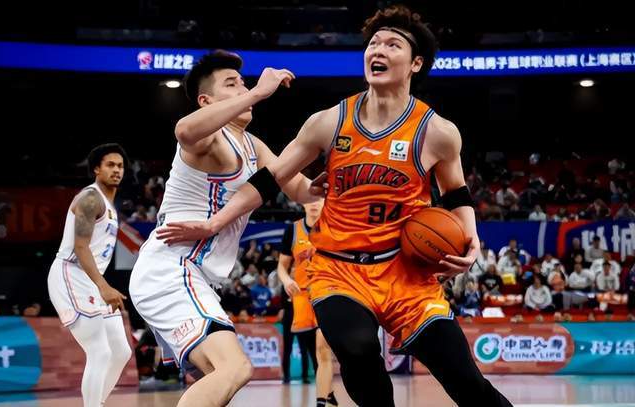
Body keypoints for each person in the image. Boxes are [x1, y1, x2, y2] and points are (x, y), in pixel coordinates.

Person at [157, 6, 511, 406]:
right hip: (338, 270)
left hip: (405, 272)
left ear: (415, 63)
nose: (378, 49)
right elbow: (271, 178)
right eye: (373, 43)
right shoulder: (328, 122)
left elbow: (456, 193)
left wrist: (471, 238)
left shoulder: (438, 132)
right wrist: (214, 222)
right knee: (358, 350)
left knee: (466, 381)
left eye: (392, 44)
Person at [130, 50, 322, 407]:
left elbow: (299, 188)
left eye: (244, 83)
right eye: (231, 84)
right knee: (235, 368)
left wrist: (340, 184)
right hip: (172, 269)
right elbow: (185, 130)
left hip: (194, 277)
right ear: (206, 101)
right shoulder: (211, 137)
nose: (244, 89)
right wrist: (258, 92)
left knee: (218, 382)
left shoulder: (253, 146)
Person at [47, 143, 132, 407]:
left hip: (90, 279)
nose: (117, 170)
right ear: (96, 169)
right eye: (110, 165)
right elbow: (80, 247)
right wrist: (103, 286)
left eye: (120, 166)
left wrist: (100, 285)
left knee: (121, 351)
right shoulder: (90, 198)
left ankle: (97, 403)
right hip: (70, 274)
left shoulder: (110, 205)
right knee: (100, 351)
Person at [277, 199, 337, 407]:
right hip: (301, 298)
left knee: (322, 348)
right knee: (313, 350)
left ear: (326, 202)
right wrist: (286, 280)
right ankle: (329, 396)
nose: (313, 204)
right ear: (302, 203)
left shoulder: (334, 227)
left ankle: (322, 401)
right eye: (309, 199)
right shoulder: (292, 230)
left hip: (327, 294)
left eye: (318, 199)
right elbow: (281, 266)